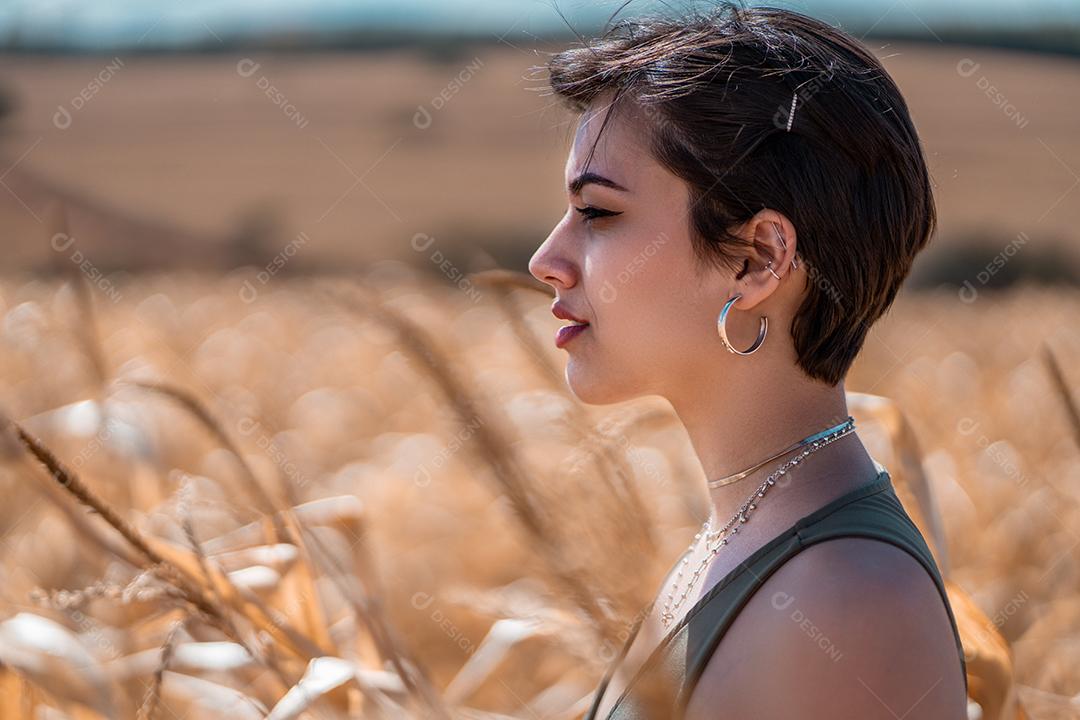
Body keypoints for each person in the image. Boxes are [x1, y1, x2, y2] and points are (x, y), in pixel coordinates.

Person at [526, 3, 969, 718]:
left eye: (599, 214)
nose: (546, 261)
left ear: (759, 259)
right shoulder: (745, 535)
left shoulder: (847, 599)